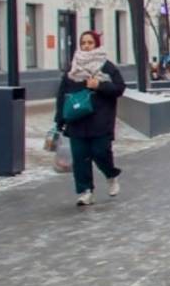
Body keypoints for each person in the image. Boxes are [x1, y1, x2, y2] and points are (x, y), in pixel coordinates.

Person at [54, 30, 126, 207]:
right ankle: (86, 191)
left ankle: (111, 175)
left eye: (90, 43)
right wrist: (60, 119)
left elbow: (119, 88)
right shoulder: (73, 68)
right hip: (77, 120)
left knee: (100, 152)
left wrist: (100, 85)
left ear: (96, 44)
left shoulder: (106, 66)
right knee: (80, 157)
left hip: (100, 119)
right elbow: (62, 94)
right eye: (83, 43)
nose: (86, 46)